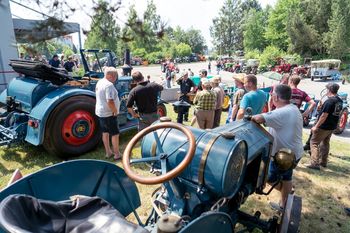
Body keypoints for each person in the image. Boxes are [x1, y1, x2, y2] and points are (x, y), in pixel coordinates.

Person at [252, 84, 303, 210]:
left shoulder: (282, 112)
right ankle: (284, 202)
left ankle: (287, 196)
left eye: (272, 95)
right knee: (286, 178)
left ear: (275, 97)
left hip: (285, 156)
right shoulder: (292, 108)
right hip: (292, 153)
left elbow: (257, 118)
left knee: (269, 178)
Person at [306, 83, 343, 170]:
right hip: (332, 126)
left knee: (314, 143)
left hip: (324, 126)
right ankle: (323, 162)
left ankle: (314, 163)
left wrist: (316, 126)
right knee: (325, 143)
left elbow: (324, 115)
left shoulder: (329, 101)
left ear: (329, 90)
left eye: (327, 89)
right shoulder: (339, 101)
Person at [95, 67, 121, 160]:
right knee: (115, 134)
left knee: (105, 132)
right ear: (111, 75)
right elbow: (110, 101)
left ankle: (108, 152)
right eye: (115, 76)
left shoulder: (100, 81)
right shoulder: (109, 85)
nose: (115, 78)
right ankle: (117, 154)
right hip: (109, 113)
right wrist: (115, 111)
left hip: (101, 112)